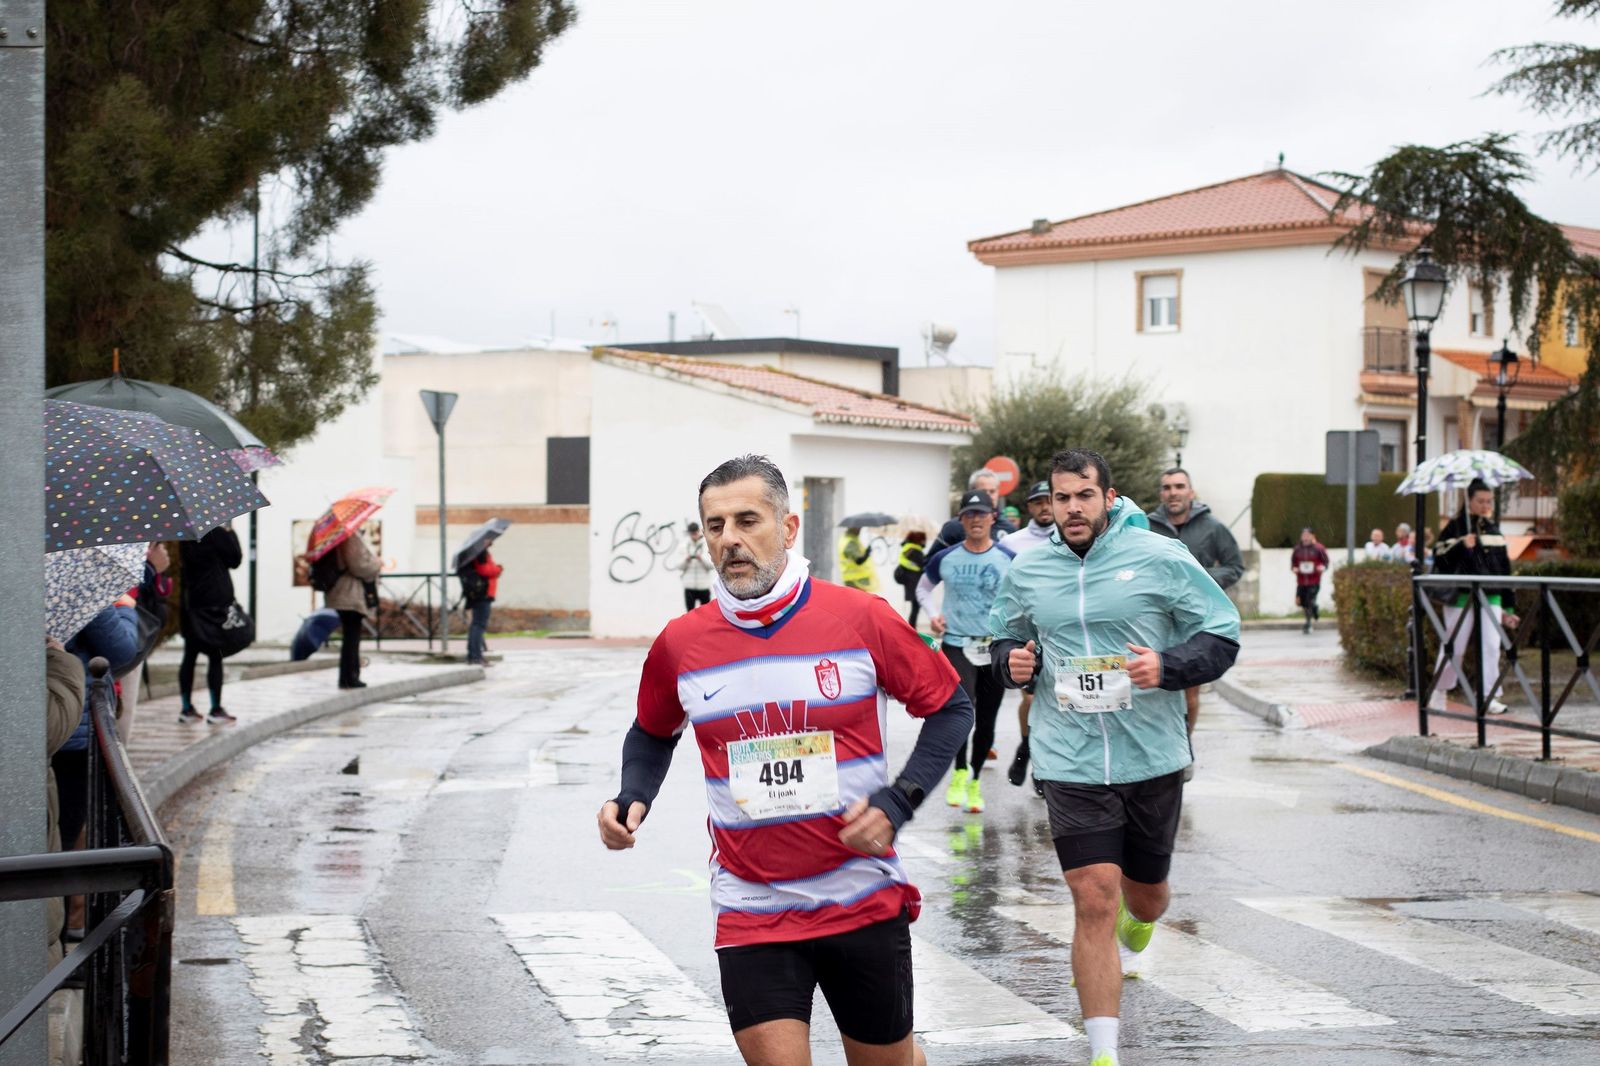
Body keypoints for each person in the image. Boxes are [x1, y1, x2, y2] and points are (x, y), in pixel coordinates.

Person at [597, 454, 973, 1066]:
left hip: (860, 896)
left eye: (748, 520)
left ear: (789, 528)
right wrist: (631, 795)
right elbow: (651, 732)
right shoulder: (682, 643)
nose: (730, 539)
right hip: (753, 906)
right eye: (715, 526)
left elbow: (951, 707)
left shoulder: (859, 618)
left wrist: (899, 800)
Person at [990, 448, 1240, 1066]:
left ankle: (1145, 918)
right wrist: (1010, 661)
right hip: (1067, 756)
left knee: (1144, 895)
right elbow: (1003, 634)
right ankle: (1104, 1053)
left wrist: (1169, 666)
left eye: (1083, 496)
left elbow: (1222, 630)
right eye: (1061, 498)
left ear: (1107, 497)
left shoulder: (1159, 555)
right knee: (1094, 896)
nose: (1071, 509)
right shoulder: (1028, 569)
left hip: (1149, 754)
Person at [916, 490, 1017, 814]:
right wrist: (933, 614)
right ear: (961, 520)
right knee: (964, 711)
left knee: (988, 717)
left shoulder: (1007, 558)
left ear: (992, 518)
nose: (976, 520)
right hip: (957, 642)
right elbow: (923, 587)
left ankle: (974, 780)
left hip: (994, 646)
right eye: (969, 514)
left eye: (981, 514)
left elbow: (1023, 595)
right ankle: (958, 771)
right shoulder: (946, 557)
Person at [1144, 468, 1243, 761]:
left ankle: (1184, 746)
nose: (1172, 492)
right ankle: (1155, 749)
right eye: (1166, 487)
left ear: (1191, 492)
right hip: (1156, 618)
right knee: (1152, 685)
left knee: (1190, 693)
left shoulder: (1212, 527)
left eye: (1178, 486)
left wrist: (1202, 578)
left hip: (1195, 620)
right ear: (1161, 493)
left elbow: (1234, 565)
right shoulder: (1147, 527)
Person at [1430, 479, 1519, 714]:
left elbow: (1504, 568)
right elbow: (1439, 558)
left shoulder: (1493, 528)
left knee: (1491, 646)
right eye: (1480, 501)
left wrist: (1509, 607)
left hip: (1491, 595)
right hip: (1461, 594)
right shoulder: (1455, 527)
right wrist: (1461, 544)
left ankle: (1488, 696)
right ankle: (1440, 691)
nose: (1485, 505)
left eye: (1489, 501)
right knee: (1454, 647)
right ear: (1469, 500)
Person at [178, 523, 242, 723]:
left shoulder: (185, 535)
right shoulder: (217, 533)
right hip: (215, 602)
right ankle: (215, 709)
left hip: (191, 601)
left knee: (190, 654)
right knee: (216, 655)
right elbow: (235, 559)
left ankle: (186, 708)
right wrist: (231, 533)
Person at [325, 531, 381, 689]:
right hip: (350, 594)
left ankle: (349, 676)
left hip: (344, 593)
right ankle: (349, 677)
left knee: (351, 637)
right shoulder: (349, 536)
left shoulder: (339, 535)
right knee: (351, 637)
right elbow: (360, 566)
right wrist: (377, 563)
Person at [928, 468, 1017, 557]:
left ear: (998, 492)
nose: (989, 496)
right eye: (983, 492)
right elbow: (931, 562)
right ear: (971, 492)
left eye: (992, 491)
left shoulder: (1009, 528)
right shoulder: (952, 527)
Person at [464, 547, 504, 666]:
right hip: (482, 593)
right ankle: (476, 656)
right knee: (479, 625)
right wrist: (498, 569)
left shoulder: (478, 552)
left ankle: (473, 655)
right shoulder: (480, 552)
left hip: (480, 593)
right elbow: (484, 570)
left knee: (476, 625)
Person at [1291, 528, 1329, 634]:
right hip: (1301, 581)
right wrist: (1294, 568)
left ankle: (1308, 623)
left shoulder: (1319, 548)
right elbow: (1293, 563)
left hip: (1314, 580)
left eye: (1308, 535)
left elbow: (1325, 562)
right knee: (1302, 602)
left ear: (1312, 536)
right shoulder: (1297, 549)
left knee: (1309, 601)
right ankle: (1315, 609)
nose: (1305, 537)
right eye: (1304, 535)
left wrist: (1322, 567)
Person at [674, 521, 714, 610]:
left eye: (695, 533)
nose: (694, 535)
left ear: (699, 531)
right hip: (689, 586)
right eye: (692, 533)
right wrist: (687, 560)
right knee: (690, 615)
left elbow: (712, 566)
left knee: (706, 614)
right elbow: (679, 567)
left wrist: (701, 558)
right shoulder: (684, 546)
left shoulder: (706, 545)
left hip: (704, 586)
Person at [894, 530, 928, 629]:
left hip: (911, 583)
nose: (924, 542)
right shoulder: (915, 551)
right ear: (918, 540)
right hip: (914, 583)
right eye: (923, 540)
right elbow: (922, 565)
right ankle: (911, 628)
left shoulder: (908, 549)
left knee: (915, 607)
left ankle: (911, 627)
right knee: (916, 607)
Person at [838, 526, 879, 592]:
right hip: (855, 580)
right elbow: (858, 560)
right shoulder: (850, 543)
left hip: (855, 579)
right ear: (853, 529)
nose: (859, 530)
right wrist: (867, 553)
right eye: (858, 528)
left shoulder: (849, 539)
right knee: (857, 601)